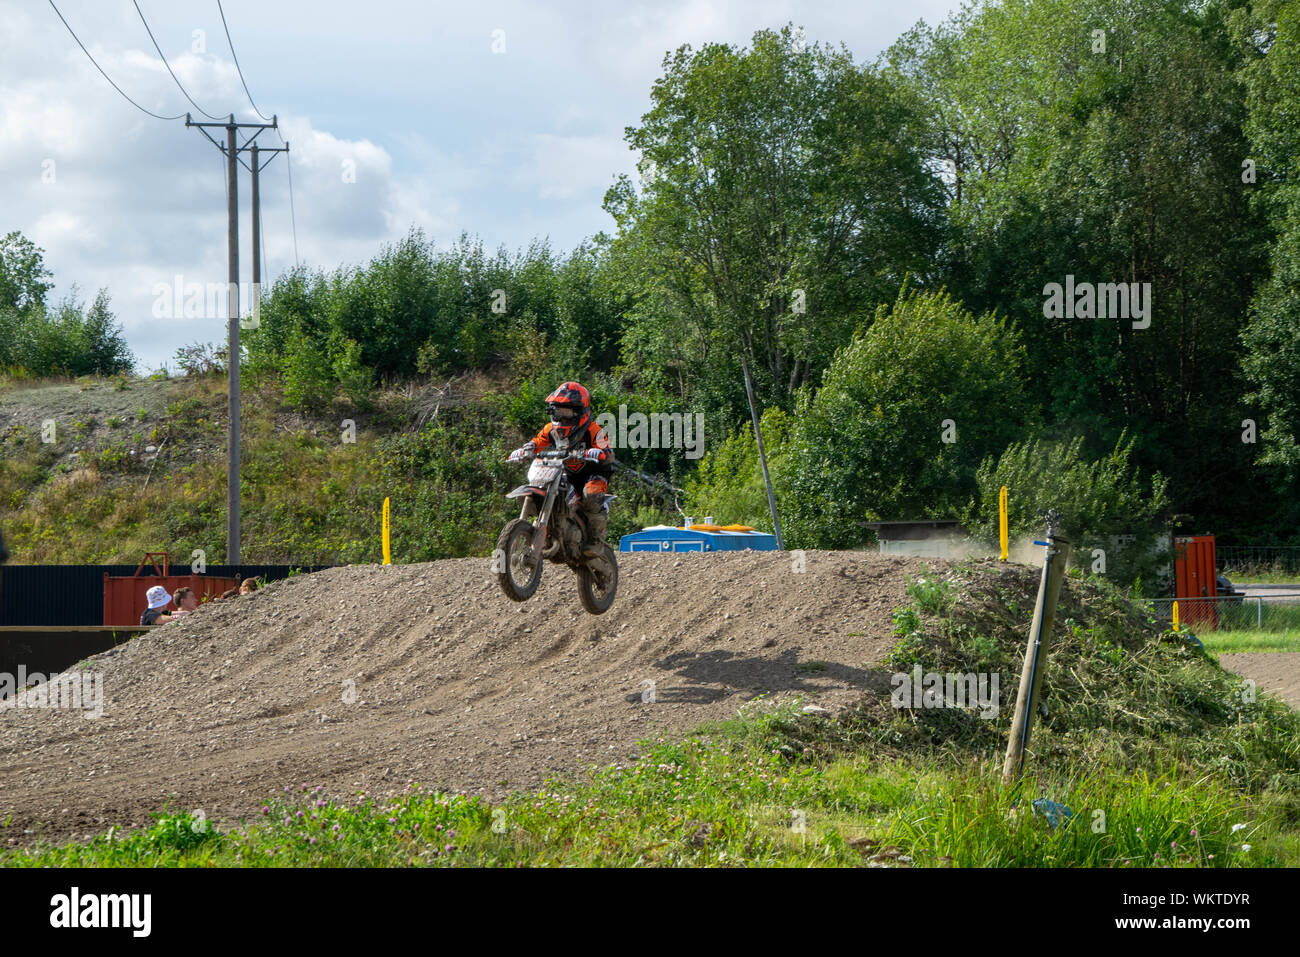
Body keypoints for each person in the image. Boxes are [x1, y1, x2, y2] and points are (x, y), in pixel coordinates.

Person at [508, 380, 613, 555]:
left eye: (567, 411)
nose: (562, 416)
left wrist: (599, 452)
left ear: (580, 411)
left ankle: (595, 540)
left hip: (593, 472)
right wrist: (527, 449)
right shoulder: (551, 428)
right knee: (543, 485)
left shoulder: (594, 430)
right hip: (567, 471)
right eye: (558, 410)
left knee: (591, 495)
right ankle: (547, 526)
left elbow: (609, 453)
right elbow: (537, 442)